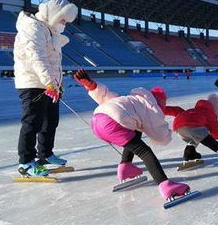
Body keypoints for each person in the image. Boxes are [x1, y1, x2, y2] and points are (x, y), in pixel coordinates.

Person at [73, 69, 193, 201]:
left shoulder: (131, 100)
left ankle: (126, 167)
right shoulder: (152, 108)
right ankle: (166, 185)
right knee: (145, 151)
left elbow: (105, 95)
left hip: (97, 121)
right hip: (112, 124)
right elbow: (160, 136)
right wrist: (168, 134)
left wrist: (91, 86)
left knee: (135, 132)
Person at [13, 0, 78, 177]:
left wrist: (58, 84)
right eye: (63, 19)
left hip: (49, 84)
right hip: (33, 83)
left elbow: (54, 62)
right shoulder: (33, 27)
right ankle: (25, 162)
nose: (64, 23)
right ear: (54, 15)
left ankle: (45, 155)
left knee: (50, 121)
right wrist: (49, 82)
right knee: (32, 122)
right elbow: (37, 58)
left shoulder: (50, 31)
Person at [165, 93, 218, 177]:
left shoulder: (194, 110)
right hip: (193, 126)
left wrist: (159, 110)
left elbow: (176, 110)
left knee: (196, 137)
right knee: (214, 145)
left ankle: (189, 155)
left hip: (178, 128)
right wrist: (210, 134)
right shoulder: (210, 113)